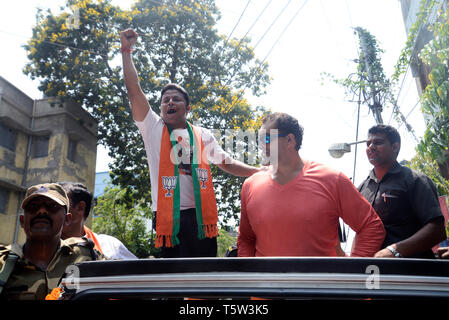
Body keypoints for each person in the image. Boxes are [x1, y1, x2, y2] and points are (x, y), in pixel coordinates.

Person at [120, 28, 262, 258]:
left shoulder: (203, 135)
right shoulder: (152, 128)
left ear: (187, 108)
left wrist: (259, 172)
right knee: (173, 284)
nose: (170, 102)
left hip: (200, 217)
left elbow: (227, 163)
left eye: (176, 99)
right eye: (165, 100)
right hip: (168, 217)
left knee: (204, 281)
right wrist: (126, 51)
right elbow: (134, 90)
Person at [237, 112, 385, 257]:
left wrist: (352, 270)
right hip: (265, 281)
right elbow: (246, 239)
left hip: (319, 281)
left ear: (290, 140)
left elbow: (371, 227)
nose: (261, 145)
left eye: (267, 139)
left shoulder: (332, 179)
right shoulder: (250, 185)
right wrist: (249, 276)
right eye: (259, 140)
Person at [0, 183, 102, 300]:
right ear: (22, 221)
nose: (41, 211)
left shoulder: (88, 258)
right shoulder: (3, 263)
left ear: (67, 220)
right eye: (33, 206)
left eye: (52, 206)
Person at [358, 124, 446, 259]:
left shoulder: (415, 180)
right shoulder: (362, 188)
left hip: (411, 272)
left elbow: (437, 230)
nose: (370, 147)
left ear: (395, 146)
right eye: (368, 143)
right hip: (371, 272)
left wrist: (395, 250)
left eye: (378, 142)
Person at [59, 182, 137, 260]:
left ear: (80, 207)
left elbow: (139, 270)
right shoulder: (48, 248)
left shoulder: (111, 246)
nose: (48, 212)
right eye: (46, 206)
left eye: (56, 205)